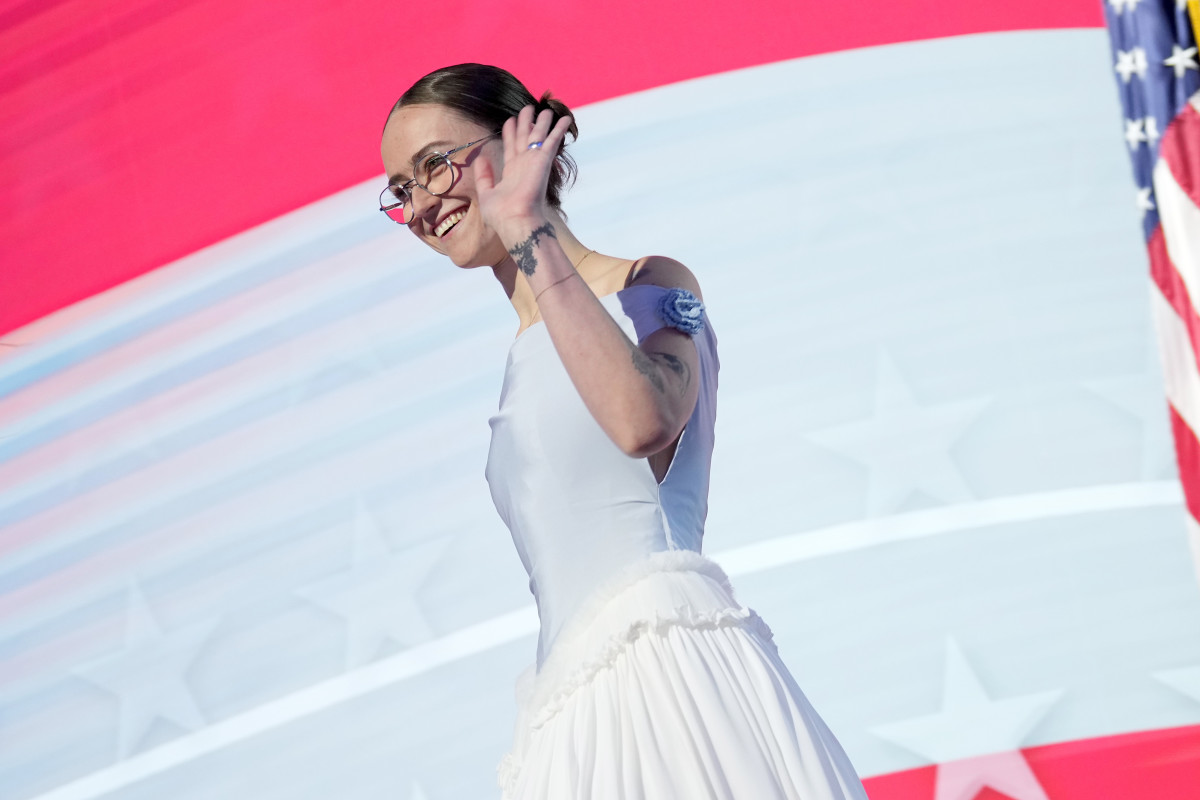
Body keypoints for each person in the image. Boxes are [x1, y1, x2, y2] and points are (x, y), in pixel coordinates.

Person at [380, 63, 867, 800]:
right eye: (402, 189)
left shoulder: (644, 285)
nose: (420, 203)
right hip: (574, 712)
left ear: (519, 143)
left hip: (670, 687)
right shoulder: (521, 356)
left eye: (435, 165)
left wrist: (528, 230)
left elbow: (643, 420)